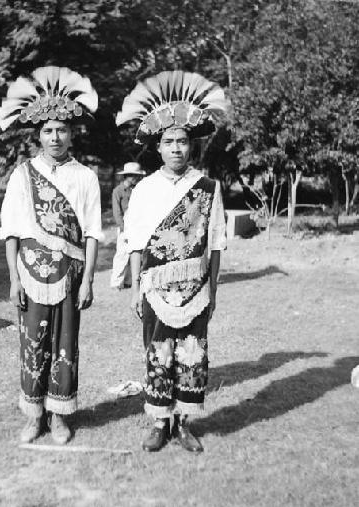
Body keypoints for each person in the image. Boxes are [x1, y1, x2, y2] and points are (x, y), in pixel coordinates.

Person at [116, 70, 229, 452]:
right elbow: (134, 243)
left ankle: (182, 423)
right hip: (154, 288)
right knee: (159, 353)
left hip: (196, 289)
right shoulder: (144, 189)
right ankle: (159, 423)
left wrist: (212, 290)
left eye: (182, 141)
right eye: (169, 142)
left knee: (191, 355)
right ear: (158, 147)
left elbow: (215, 245)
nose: (177, 148)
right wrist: (135, 287)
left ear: (191, 146)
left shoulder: (209, 189)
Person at [0, 66, 102, 445]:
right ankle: (34, 415)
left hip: (71, 276)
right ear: (37, 136)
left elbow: (92, 233)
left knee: (65, 343)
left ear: (71, 133)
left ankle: (59, 416)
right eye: (47, 131)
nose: (55, 137)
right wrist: (12, 278)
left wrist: (88, 278)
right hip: (29, 273)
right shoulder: (22, 175)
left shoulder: (85, 178)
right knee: (32, 343)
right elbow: (11, 231)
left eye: (61, 130)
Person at [110, 162, 146, 289]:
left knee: (135, 252)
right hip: (125, 225)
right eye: (133, 176)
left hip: (136, 224)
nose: (136, 179)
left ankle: (128, 281)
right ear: (127, 176)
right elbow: (117, 212)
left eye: (137, 176)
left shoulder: (137, 190)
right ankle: (116, 282)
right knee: (122, 253)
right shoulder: (118, 191)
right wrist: (123, 228)